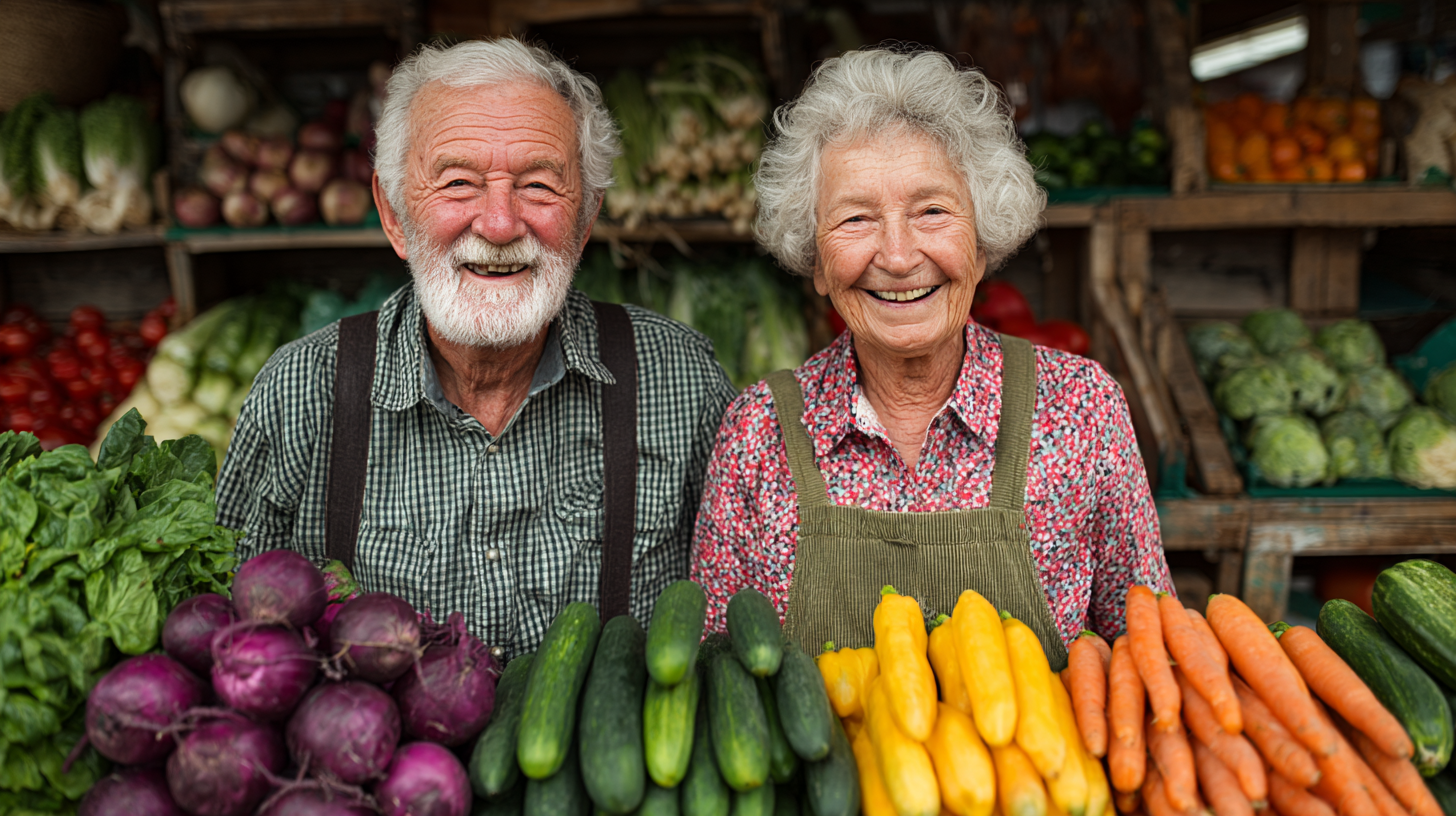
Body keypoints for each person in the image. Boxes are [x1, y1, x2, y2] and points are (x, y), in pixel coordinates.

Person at [217, 39, 737, 660]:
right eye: (458, 182)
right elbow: (230, 639)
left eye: (539, 186)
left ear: (586, 218)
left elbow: (733, 633)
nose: (498, 223)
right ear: (393, 214)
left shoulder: (678, 379)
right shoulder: (300, 392)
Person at [690, 48, 1170, 669]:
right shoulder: (758, 433)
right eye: (856, 218)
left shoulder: (1081, 408)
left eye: (932, 212)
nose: (896, 255)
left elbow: (1150, 648)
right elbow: (718, 673)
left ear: (982, 239)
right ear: (815, 260)